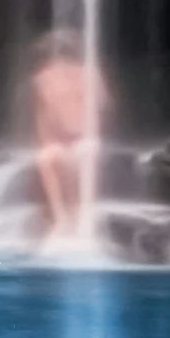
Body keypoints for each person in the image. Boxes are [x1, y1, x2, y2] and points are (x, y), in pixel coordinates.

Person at [31, 29, 110, 239]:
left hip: (85, 137)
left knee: (84, 154)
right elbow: (43, 115)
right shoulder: (42, 79)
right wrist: (47, 141)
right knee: (47, 158)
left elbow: (102, 105)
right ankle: (61, 219)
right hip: (60, 139)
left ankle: (83, 214)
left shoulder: (89, 74)